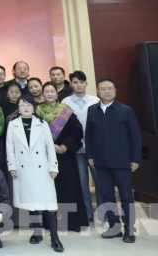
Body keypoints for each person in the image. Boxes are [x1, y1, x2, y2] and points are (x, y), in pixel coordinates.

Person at [85, 78, 141, 242]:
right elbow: (89, 134)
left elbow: (135, 136)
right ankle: (114, 227)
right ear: (98, 92)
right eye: (103, 89)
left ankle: (129, 229)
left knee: (126, 196)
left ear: (115, 90)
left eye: (110, 88)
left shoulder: (125, 110)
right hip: (100, 161)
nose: (107, 91)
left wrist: (135, 159)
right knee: (106, 195)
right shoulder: (92, 110)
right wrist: (90, 155)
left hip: (122, 161)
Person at [6, 96, 62, 252]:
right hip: (23, 168)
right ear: (18, 108)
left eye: (29, 105)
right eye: (22, 105)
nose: (25, 108)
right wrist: (12, 166)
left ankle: (55, 237)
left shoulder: (42, 124)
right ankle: (37, 232)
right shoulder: (13, 124)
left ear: (34, 107)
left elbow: (49, 146)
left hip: (42, 168)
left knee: (48, 203)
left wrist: (53, 166)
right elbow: (10, 147)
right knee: (31, 202)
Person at [37, 82, 88, 231]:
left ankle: (71, 222)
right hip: (45, 155)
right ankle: (50, 223)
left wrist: (66, 145)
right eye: (46, 91)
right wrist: (52, 146)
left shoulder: (66, 111)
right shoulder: (37, 111)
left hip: (65, 155)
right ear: (42, 94)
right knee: (50, 188)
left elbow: (77, 131)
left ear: (57, 93)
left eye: (52, 91)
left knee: (69, 187)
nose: (50, 94)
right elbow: (36, 134)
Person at [61, 70, 100, 225]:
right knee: (82, 183)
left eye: (81, 82)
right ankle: (88, 215)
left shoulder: (95, 100)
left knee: (100, 182)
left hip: (95, 148)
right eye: (75, 82)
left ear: (86, 84)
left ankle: (103, 214)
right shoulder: (65, 102)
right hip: (76, 148)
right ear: (71, 84)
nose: (79, 85)